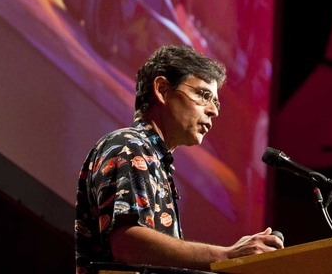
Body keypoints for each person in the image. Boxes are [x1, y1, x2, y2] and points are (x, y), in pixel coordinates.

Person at [75, 44, 283, 273]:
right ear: (162, 89)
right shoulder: (129, 146)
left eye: (216, 102)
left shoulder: (155, 161)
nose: (213, 110)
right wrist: (227, 255)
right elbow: (128, 244)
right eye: (203, 95)